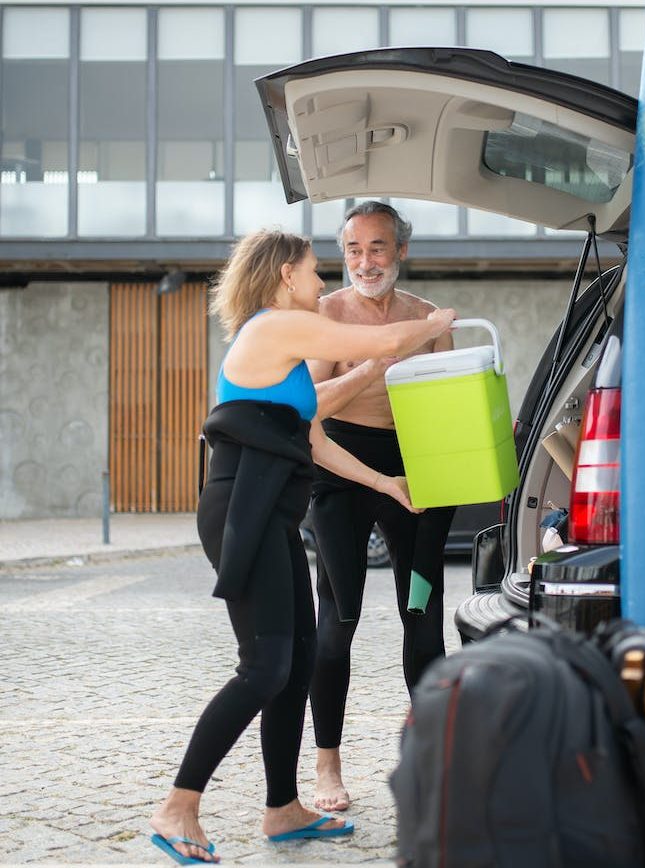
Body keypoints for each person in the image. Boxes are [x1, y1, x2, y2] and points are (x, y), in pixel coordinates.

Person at [148, 228, 455, 865]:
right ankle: (178, 806)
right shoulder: (275, 328)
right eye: (317, 271)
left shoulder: (281, 345)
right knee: (262, 668)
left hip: (275, 515)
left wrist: (386, 485)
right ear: (287, 274)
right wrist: (439, 323)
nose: (323, 284)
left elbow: (311, 434)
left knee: (297, 656)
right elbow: (390, 338)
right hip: (244, 511)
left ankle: (283, 809)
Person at [306, 201, 457, 813]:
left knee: (421, 613)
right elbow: (308, 402)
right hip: (340, 466)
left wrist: (449, 481)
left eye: (377, 247)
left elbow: (452, 408)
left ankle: (429, 756)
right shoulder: (324, 314)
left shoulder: (427, 320)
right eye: (353, 250)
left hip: (414, 468)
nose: (365, 261)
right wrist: (371, 363)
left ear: (400, 252)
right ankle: (326, 765)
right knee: (337, 618)